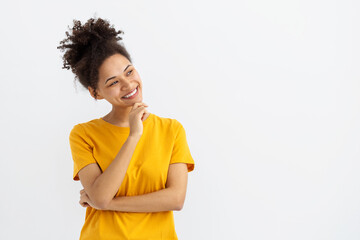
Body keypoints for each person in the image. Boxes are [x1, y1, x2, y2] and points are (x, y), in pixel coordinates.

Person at [57, 17, 195, 240]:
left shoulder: (171, 130)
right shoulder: (83, 134)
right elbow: (100, 197)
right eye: (113, 82)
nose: (128, 84)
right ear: (96, 93)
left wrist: (107, 203)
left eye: (129, 72)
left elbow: (176, 199)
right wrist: (133, 136)